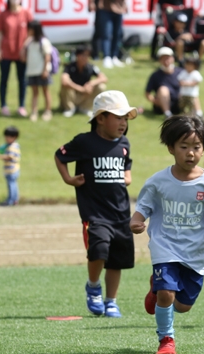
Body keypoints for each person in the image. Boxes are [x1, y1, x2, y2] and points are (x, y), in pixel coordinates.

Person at [130, 115, 204, 354]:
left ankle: (156, 292)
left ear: (203, 148)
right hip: (165, 247)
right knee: (167, 293)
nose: (190, 153)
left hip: (196, 253)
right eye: (183, 147)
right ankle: (166, 340)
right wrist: (136, 221)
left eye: (196, 147)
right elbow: (142, 208)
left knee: (183, 306)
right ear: (171, 148)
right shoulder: (158, 181)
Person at [54, 91, 137, 318]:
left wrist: (126, 176)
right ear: (100, 118)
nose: (123, 123)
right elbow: (60, 156)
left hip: (121, 212)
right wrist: (68, 179)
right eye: (118, 117)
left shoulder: (124, 143)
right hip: (94, 212)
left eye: (126, 118)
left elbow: (126, 167)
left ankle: (111, 301)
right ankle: (93, 286)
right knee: (99, 249)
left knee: (117, 259)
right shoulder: (85, 142)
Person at [0, 0, 33, 117]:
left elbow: (31, 34)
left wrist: (24, 48)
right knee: (4, 79)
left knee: (22, 80)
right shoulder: (4, 15)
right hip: (6, 52)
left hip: (21, 53)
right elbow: (0, 34)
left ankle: (21, 106)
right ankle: (3, 106)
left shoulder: (26, 13)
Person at [60, 44, 108, 118]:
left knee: (101, 86)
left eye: (87, 55)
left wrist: (91, 83)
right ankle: (69, 108)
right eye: (82, 55)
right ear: (77, 55)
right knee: (66, 86)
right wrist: (80, 89)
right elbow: (64, 81)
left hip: (85, 95)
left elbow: (104, 78)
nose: (85, 58)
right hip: (72, 94)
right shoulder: (69, 67)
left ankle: (84, 108)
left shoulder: (91, 67)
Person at [22, 20, 53, 122]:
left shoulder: (44, 41)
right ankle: (34, 112)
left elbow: (47, 57)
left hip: (42, 71)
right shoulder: (29, 41)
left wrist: (45, 70)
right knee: (34, 92)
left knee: (45, 91)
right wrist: (25, 42)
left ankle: (48, 111)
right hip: (32, 71)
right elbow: (22, 56)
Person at [145, 47, 183, 118]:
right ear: (159, 60)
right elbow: (147, 93)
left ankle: (198, 113)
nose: (166, 61)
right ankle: (167, 114)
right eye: (163, 58)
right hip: (161, 105)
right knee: (163, 89)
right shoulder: (155, 75)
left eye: (168, 58)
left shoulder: (181, 72)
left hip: (178, 102)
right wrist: (154, 100)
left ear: (173, 58)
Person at [90, 0, 126, 69]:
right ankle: (106, 57)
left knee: (117, 34)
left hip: (119, 8)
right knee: (106, 34)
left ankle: (114, 56)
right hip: (105, 8)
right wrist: (92, 2)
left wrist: (125, 5)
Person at [0, 125, 21, 206]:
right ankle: (14, 200)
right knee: (12, 184)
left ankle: (11, 200)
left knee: (12, 185)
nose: (6, 139)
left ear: (14, 137)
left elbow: (9, 157)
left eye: (8, 137)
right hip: (11, 169)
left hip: (12, 170)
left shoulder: (12, 147)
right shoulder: (12, 146)